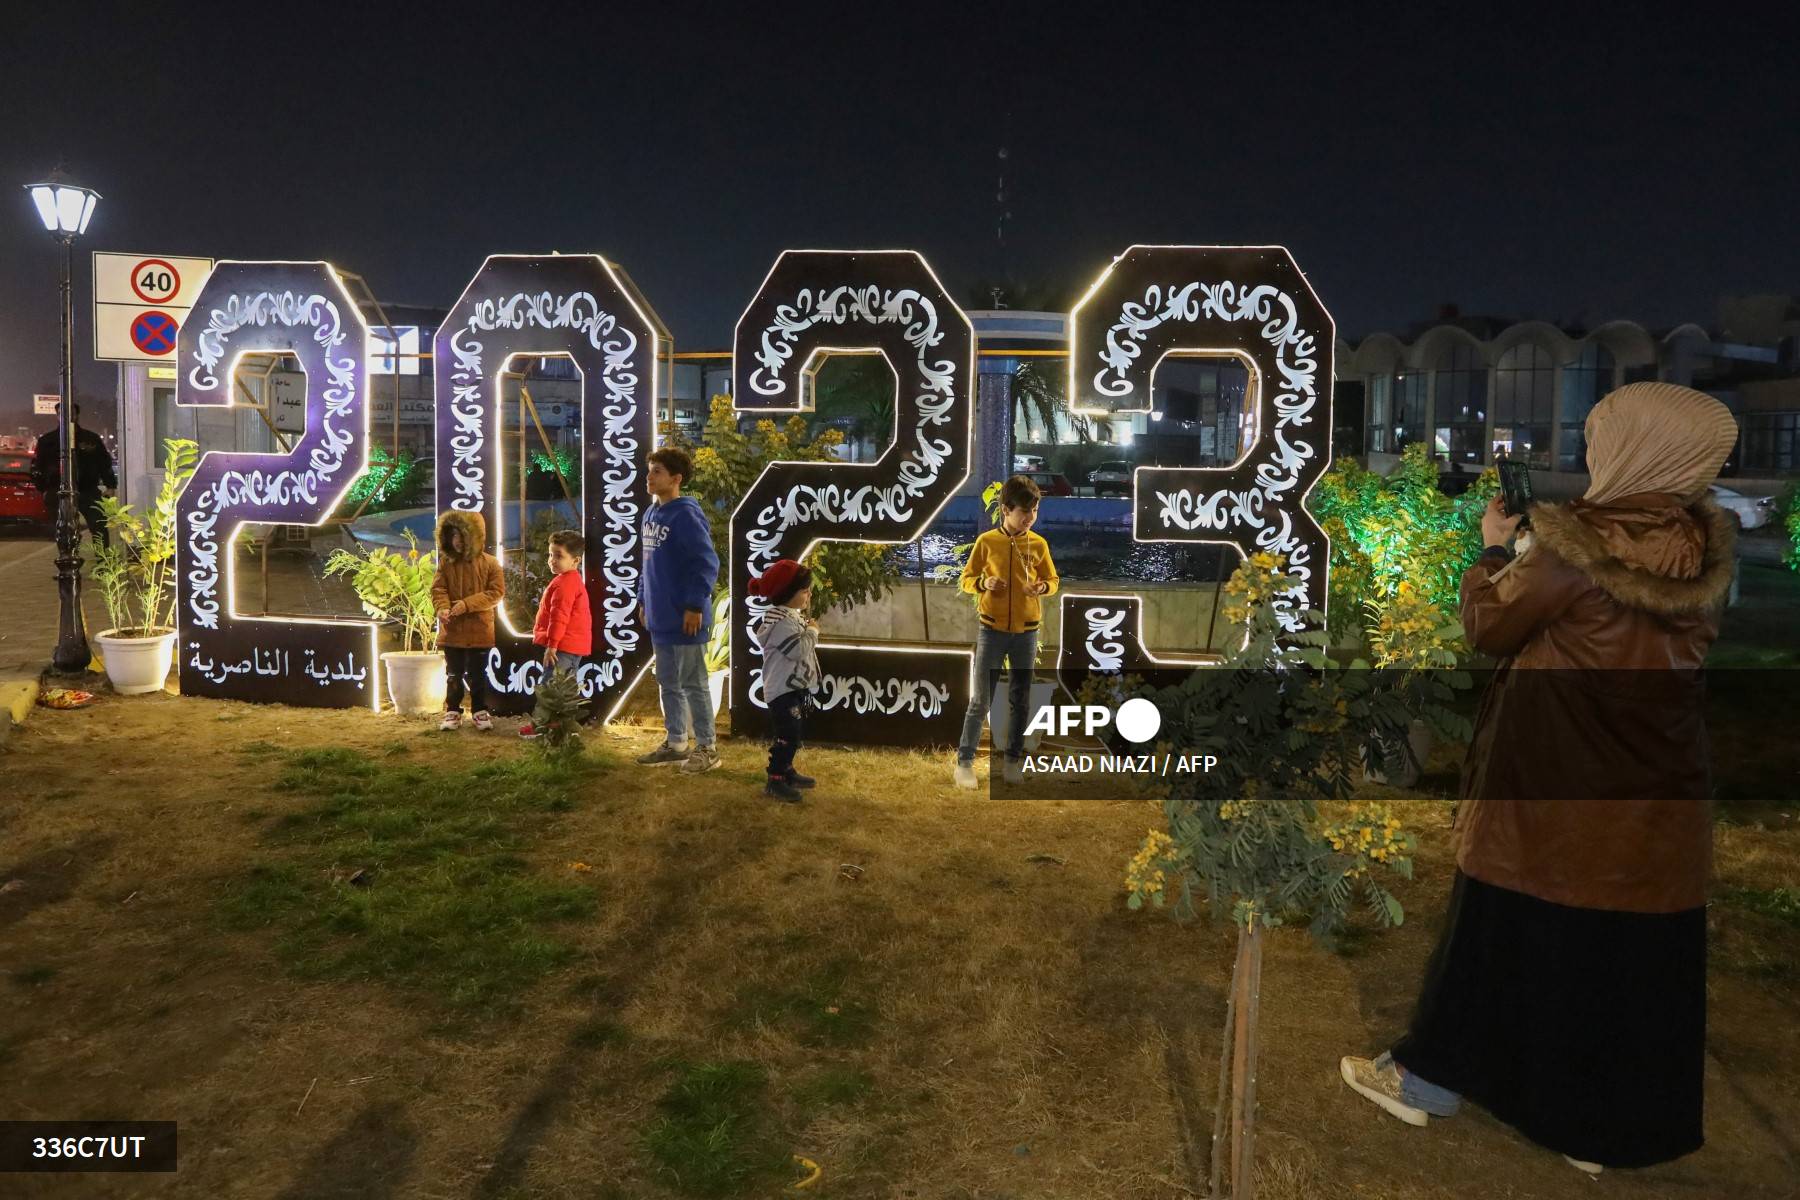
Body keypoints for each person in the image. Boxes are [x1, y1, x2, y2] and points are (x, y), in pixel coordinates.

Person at [1339, 383, 1740, 1176]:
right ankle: (1596, 1130)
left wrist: (1494, 549)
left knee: (1497, 934)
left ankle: (1427, 1079)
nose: (1592, 455)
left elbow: (1491, 623)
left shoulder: (1576, 543)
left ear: (1635, 448)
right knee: (1617, 958)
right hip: (1655, 795)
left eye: (1602, 439)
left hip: (1551, 788)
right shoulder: (1700, 549)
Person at [954, 474, 1060, 789]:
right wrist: (984, 583)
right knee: (981, 700)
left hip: (1027, 633)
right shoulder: (987, 542)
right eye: (1024, 512)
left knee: (1021, 699)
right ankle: (964, 762)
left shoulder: (1039, 544)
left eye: (1034, 512)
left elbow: (1053, 582)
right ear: (1006, 510)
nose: (1030, 519)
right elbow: (966, 578)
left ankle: (1012, 762)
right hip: (992, 630)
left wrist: (1041, 587)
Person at [638, 446, 721, 773]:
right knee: (668, 681)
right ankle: (676, 743)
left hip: (685, 617)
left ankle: (708, 747)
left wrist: (693, 605)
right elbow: (647, 564)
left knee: (693, 682)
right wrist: (643, 600)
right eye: (649, 470)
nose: (649, 476)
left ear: (676, 478)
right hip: (660, 617)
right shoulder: (650, 514)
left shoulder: (686, 514)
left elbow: (705, 562)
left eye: (657, 471)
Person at [748, 558, 821, 803]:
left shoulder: (787, 616)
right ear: (789, 593)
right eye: (804, 590)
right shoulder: (782, 622)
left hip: (790, 686)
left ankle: (786, 770)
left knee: (793, 732)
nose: (809, 594)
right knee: (788, 735)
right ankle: (776, 778)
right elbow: (797, 650)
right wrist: (813, 631)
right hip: (782, 689)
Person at [431, 509, 505, 732]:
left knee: (477, 674)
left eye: (462, 536)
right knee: (453, 673)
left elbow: (496, 592)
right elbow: (438, 588)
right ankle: (453, 710)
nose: (457, 541)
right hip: (452, 631)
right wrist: (442, 607)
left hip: (479, 631)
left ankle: (479, 710)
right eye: (453, 536)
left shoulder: (491, 564)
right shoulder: (445, 563)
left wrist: (466, 604)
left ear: (474, 538)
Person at [518, 529, 591, 740]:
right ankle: (562, 727)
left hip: (562, 646)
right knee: (566, 688)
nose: (552, 560)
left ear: (575, 560)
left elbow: (559, 618)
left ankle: (540, 726)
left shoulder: (564, 584)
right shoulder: (572, 580)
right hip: (572, 645)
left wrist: (552, 645)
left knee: (550, 687)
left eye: (559, 556)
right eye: (550, 555)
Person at [31, 402, 117, 548]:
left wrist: (110, 485)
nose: (67, 417)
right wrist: (43, 488)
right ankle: (67, 561)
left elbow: (104, 462)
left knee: (99, 527)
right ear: (57, 416)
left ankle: (104, 563)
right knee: (64, 530)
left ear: (77, 415)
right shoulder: (47, 441)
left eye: (71, 413)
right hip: (57, 490)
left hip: (87, 489)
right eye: (62, 414)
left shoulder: (90, 439)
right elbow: (38, 466)